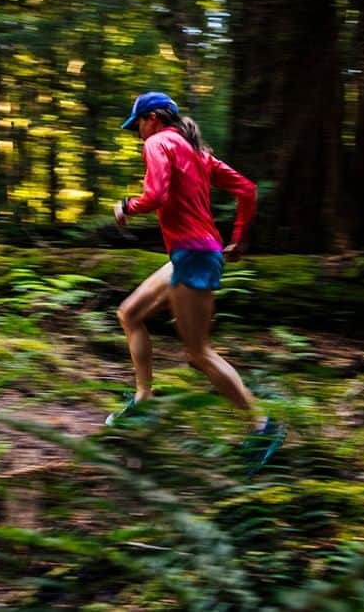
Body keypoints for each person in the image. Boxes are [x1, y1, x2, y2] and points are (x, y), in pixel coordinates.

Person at [106, 91, 283, 473]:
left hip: (194, 254)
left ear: (153, 118)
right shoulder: (197, 152)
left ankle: (262, 426)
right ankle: (143, 400)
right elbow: (247, 190)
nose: (137, 133)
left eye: (137, 124)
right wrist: (238, 236)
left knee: (198, 353)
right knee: (130, 314)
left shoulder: (158, 142)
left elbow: (156, 195)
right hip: (194, 253)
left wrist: (126, 208)